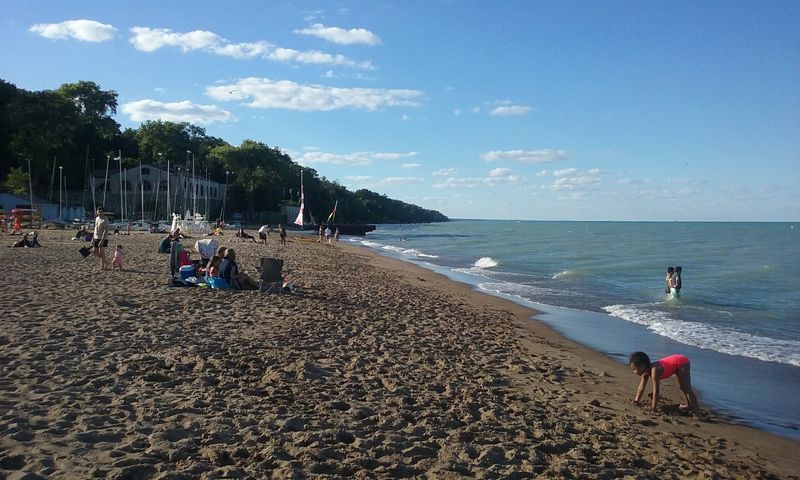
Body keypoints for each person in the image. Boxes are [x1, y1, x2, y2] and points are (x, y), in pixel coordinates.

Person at [629, 351, 701, 417]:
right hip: (675, 363)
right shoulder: (645, 373)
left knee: (686, 388)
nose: (634, 372)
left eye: (635, 369)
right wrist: (636, 401)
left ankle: (698, 414)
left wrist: (653, 408)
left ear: (642, 366)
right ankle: (689, 405)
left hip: (682, 362)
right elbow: (641, 387)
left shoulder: (655, 371)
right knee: (682, 387)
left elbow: (656, 391)